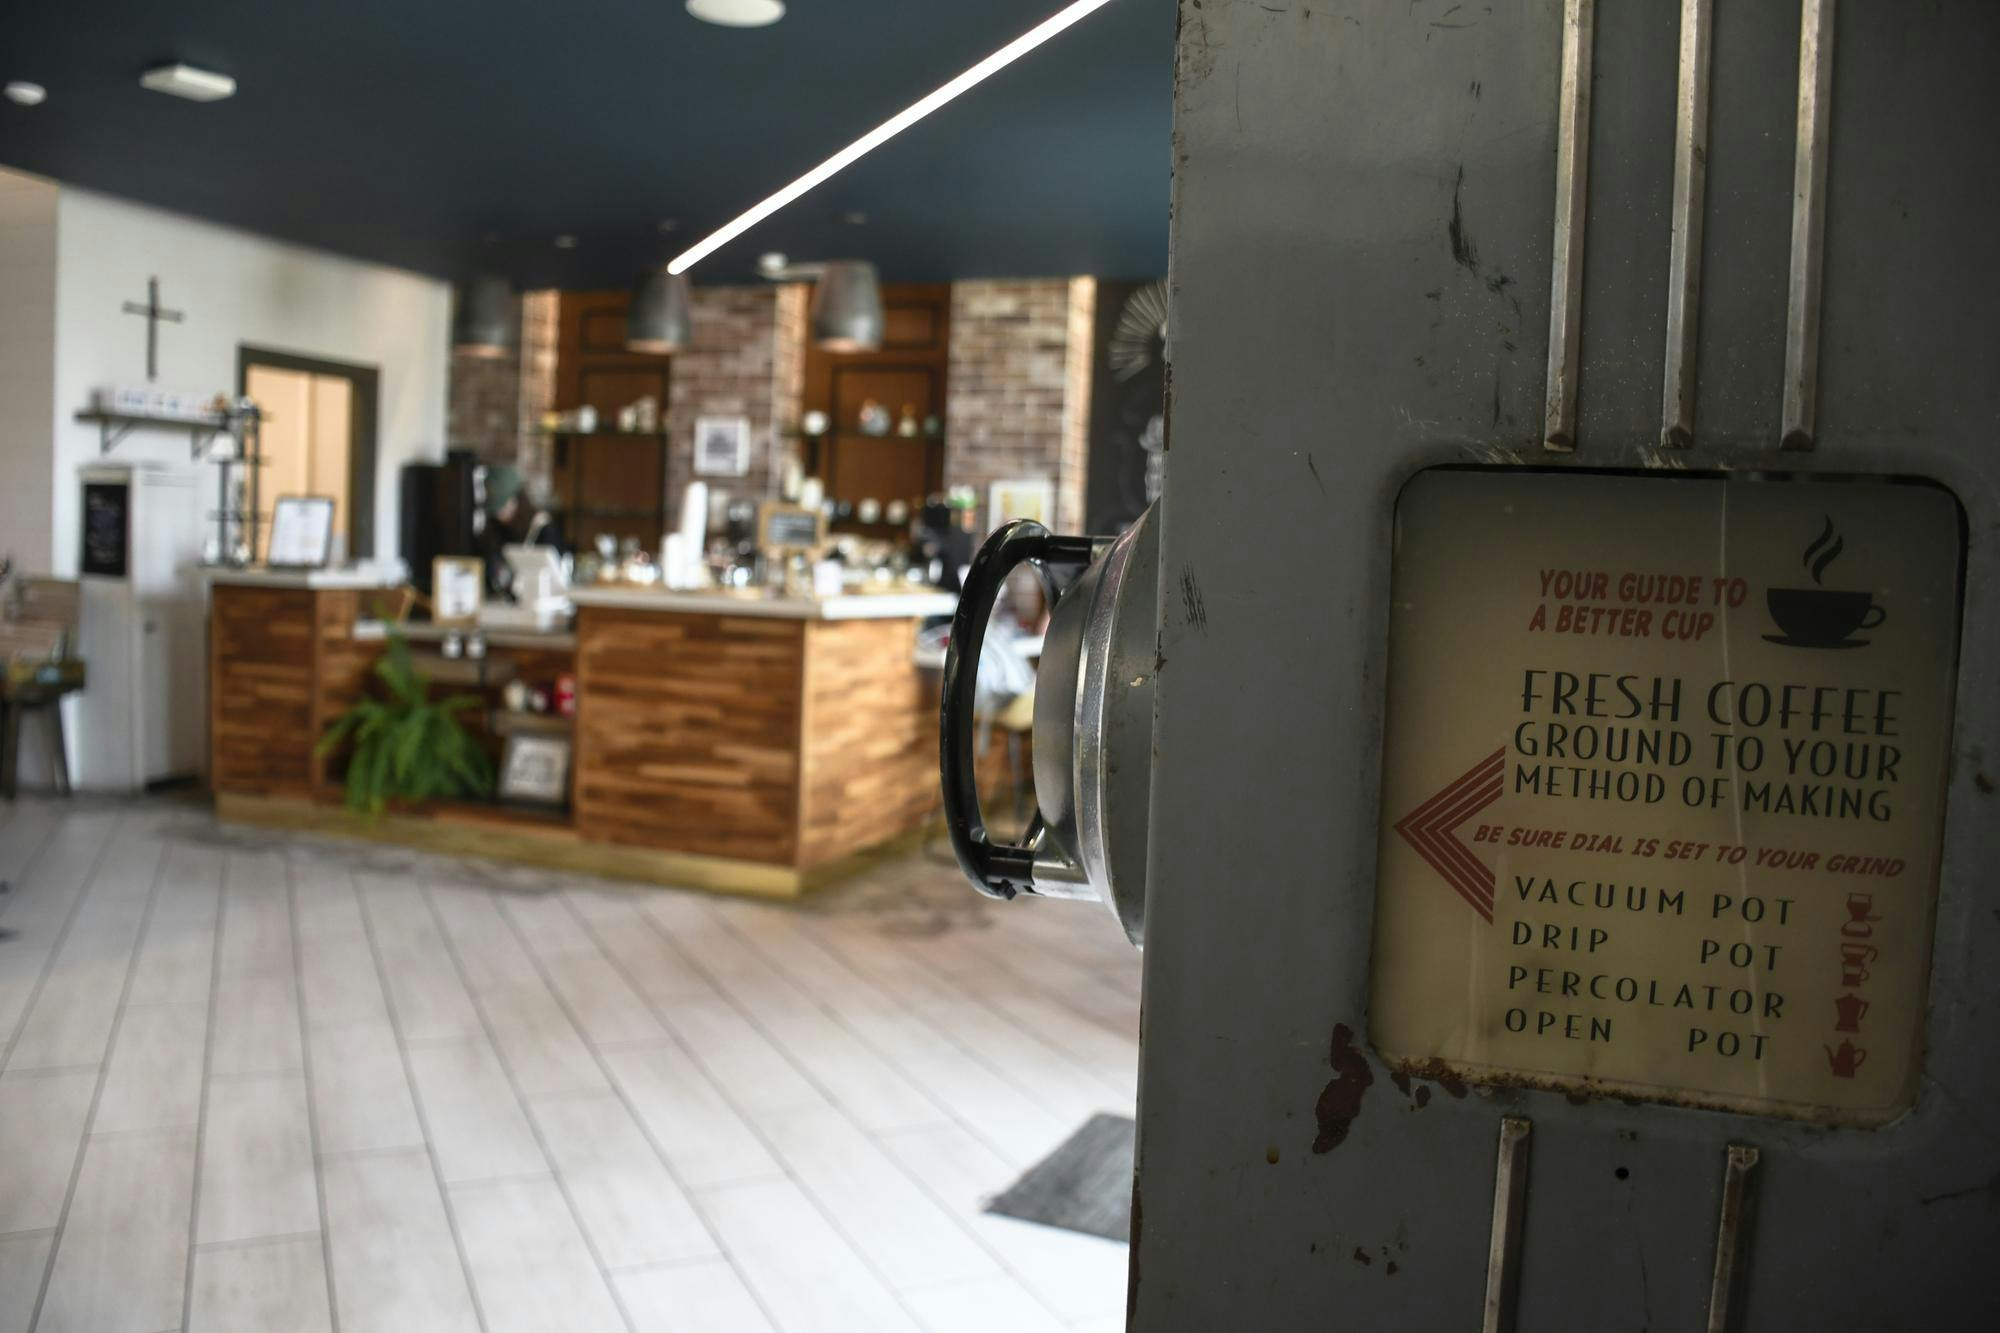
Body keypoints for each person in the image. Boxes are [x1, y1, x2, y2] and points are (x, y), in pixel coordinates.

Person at [479, 465, 561, 596]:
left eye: (503, 505)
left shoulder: (542, 528)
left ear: (517, 499)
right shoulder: (494, 528)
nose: (500, 514)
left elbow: (554, 578)